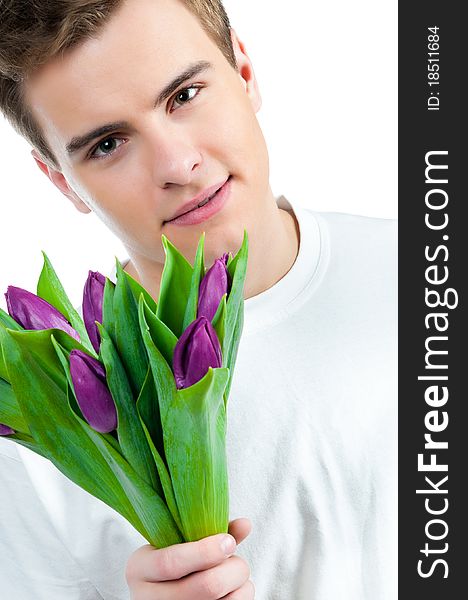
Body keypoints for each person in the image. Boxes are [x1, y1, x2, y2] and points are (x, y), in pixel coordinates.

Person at [0, 0, 397, 598]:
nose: (178, 165)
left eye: (184, 95)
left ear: (244, 72)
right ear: (62, 181)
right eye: (107, 144)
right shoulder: (39, 430)